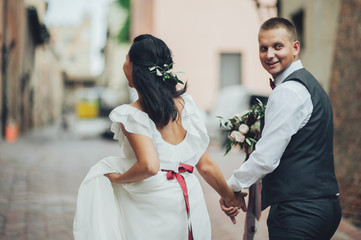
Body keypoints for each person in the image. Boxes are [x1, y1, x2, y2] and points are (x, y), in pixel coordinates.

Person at [73, 34, 247, 240]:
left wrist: (119, 179)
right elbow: (206, 164)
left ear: (136, 68)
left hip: (153, 207)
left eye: (126, 59)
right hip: (189, 201)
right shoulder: (186, 105)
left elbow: (149, 165)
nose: (124, 65)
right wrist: (229, 197)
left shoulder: (131, 114)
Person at [220, 17, 342, 239]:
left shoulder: (288, 91)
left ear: (295, 47)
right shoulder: (309, 84)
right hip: (324, 206)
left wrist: (232, 187)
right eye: (263, 48)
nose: (269, 54)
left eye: (278, 46)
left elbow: (266, 158)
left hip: (300, 211)